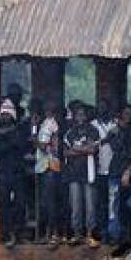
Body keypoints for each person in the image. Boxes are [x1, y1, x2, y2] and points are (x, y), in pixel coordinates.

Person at [63, 104, 100, 247]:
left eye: (82, 115)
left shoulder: (93, 131)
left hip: (89, 173)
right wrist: (83, 149)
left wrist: (76, 149)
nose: (80, 117)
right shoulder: (69, 133)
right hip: (73, 174)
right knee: (75, 206)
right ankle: (77, 234)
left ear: (87, 116)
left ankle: (90, 235)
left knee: (91, 206)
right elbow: (66, 152)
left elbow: (92, 150)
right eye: (77, 115)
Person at [0, 99, 29, 248]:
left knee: (20, 204)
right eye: (2, 115)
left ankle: (19, 233)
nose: (4, 117)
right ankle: (7, 234)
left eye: (7, 115)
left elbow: (23, 147)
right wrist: (9, 141)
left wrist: (11, 138)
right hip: (3, 173)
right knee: (4, 205)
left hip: (17, 172)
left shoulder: (19, 131)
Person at [107, 103, 131, 247]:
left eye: (130, 114)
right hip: (115, 171)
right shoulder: (113, 131)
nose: (128, 116)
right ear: (120, 115)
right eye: (125, 113)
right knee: (113, 206)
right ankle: (115, 237)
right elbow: (119, 150)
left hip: (130, 169)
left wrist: (128, 171)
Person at [36, 105, 63, 247]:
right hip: (46, 167)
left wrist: (33, 134)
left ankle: (53, 234)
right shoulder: (47, 124)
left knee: (50, 203)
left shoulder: (49, 124)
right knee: (48, 202)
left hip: (49, 167)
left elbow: (42, 146)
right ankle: (50, 233)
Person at [92, 99, 118, 239]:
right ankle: (103, 233)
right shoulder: (93, 125)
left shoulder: (115, 124)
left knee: (113, 203)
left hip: (114, 169)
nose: (102, 110)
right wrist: (106, 139)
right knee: (101, 203)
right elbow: (91, 146)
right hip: (98, 170)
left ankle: (113, 232)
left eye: (104, 107)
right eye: (100, 107)